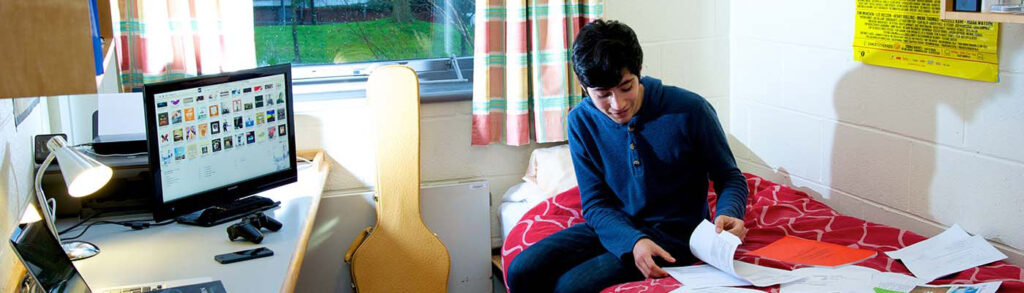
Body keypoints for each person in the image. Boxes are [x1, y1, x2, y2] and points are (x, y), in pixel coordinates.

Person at [505, 20, 749, 293]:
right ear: (584, 87)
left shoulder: (691, 110)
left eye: (626, 87)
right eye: (603, 94)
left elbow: (729, 176)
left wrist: (729, 212)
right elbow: (596, 204)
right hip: (614, 227)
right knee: (521, 272)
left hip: (677, 235)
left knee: (569, 288)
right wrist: (633, 240)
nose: (617, 105)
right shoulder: (580, 121)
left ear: (639, 72)